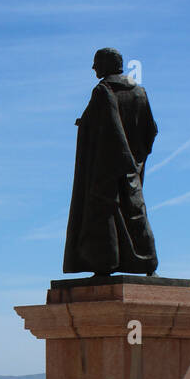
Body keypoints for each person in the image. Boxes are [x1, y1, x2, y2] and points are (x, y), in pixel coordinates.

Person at [63, 47, 160, 276]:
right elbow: (151, 131)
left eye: (96, 63)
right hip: (132, 166)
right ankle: (148, 264)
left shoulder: (103, 90)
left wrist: (87, 127)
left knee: (102, 215)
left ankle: (104, 265)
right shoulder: (140, 92)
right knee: (135, 212)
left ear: (106, 65)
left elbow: (109, 127)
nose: (93, 68)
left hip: (105, 166)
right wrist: (137, 159)